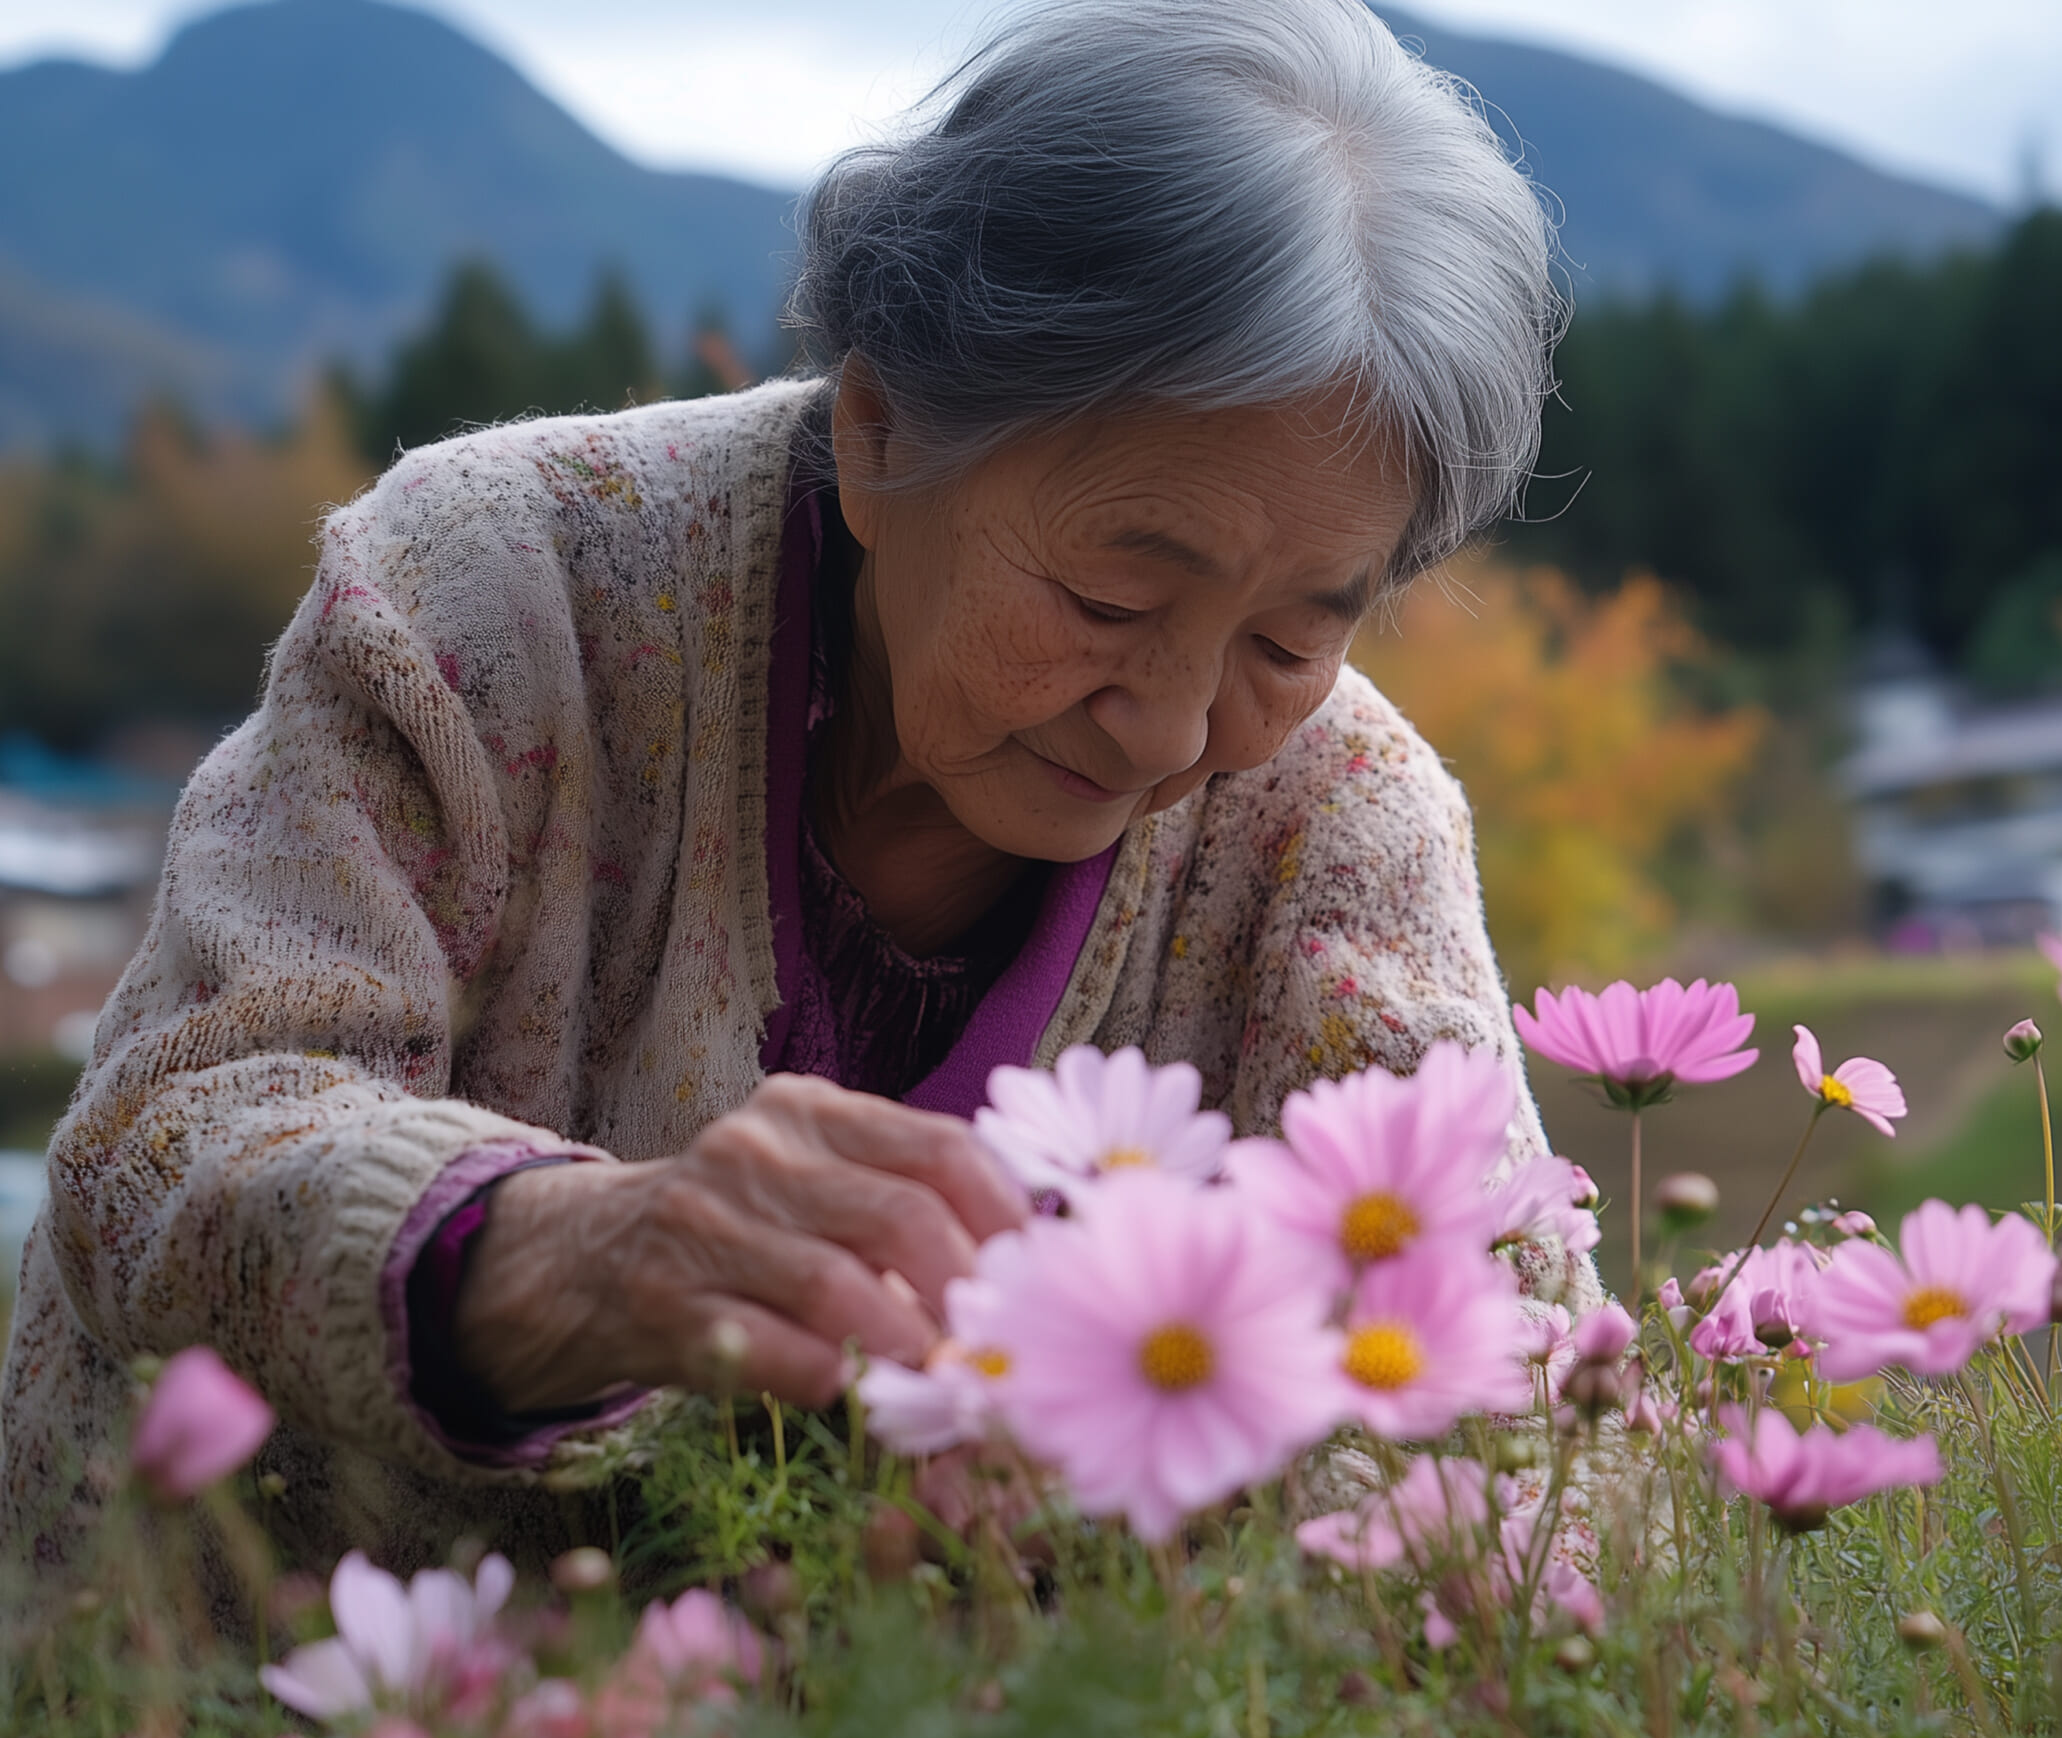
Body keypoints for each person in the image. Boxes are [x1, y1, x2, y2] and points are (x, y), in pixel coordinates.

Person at [2, 0, 1593, 1578]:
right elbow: (163, 1137)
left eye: (1290, 636)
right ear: (884, 429)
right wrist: (568, 1256)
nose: (1172, 728)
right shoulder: (497, 597)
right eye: (1109, 602)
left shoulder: (1336, 819)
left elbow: (1525, 1401)